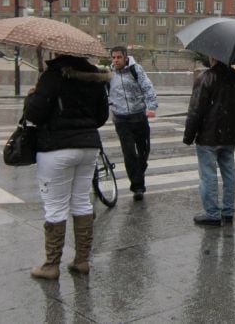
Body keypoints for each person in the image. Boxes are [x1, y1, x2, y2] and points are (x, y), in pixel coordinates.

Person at [24, 54, 110, 279]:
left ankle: (51, 265)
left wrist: (31, 97)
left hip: (56, 147)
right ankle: (82, 261)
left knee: (55, 206)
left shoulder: (52, 76)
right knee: (81, 201)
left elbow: (34, 114)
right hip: (88, 146)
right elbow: (101, 117)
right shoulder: (95, 77)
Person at [183, 56, 235, 226]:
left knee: (208, 175)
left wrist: (188, 136)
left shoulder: (205, 78)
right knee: (229, 172)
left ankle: (212, 214)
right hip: (229, 134)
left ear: (213, 57)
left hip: (208, 136)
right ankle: (228, 211)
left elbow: (196, 110)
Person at [108, 46, 158, 201]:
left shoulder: (136, 70)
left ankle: (139, 169)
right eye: (114, 57)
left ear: (125, 57)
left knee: (144, 151)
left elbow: (148, 88)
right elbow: (106, 93)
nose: (116, 60)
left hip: (138, 116)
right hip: (121, 119)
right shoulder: (109, 74)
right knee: (129, 152)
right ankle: (137, 187)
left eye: (119, 57)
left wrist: (151, 107)